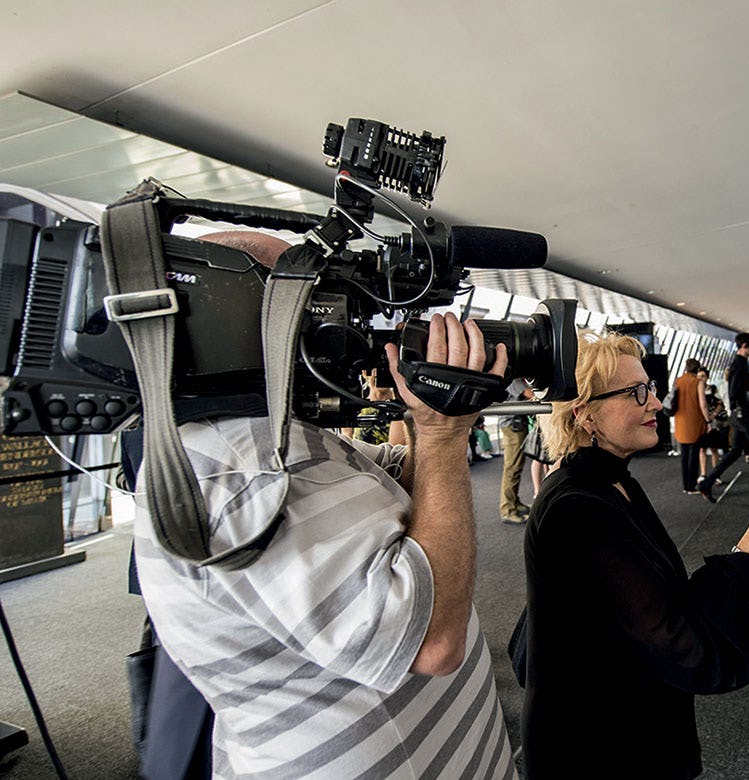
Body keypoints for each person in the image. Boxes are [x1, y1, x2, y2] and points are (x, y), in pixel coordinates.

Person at [131, 231, 516, 779]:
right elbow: (431, 643)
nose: (331, 317)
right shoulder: (233, 467)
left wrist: (431, 410)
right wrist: (443, 435)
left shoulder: (278, 436)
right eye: (309, 295)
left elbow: (407, 483)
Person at [520, 335, 749, 779]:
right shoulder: (578, 506)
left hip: (621, 724)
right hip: (597, 749)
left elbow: (660, 602)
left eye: (651, 387)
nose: (657, 404)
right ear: (585, 413)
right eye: (636, 393)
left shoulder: (611, 482)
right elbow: (682, 643)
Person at [696, 333, 749, 502]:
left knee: (736, 451)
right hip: (742, 413)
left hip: (737, 413)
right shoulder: (740, 364)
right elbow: (736, 391)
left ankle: (707, 483)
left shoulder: (738, 363)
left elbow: (739, 389)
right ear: (745, 346)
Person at [498, 379, 534, 524]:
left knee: (516, 467)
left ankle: (514, 502)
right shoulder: (513, 378)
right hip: (512, 426)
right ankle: (507, 510)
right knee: (512, 469)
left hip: (517, 424)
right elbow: (530, 394)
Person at [672, 358, 709, 493]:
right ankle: (691, 486)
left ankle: (685, 486)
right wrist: (708, 420)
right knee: (693, 457)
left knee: (684, 456)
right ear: (697, 369)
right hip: (694, 424)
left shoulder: (678, 381)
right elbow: (703, 404)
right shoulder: (698, 382)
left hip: (680, 422)